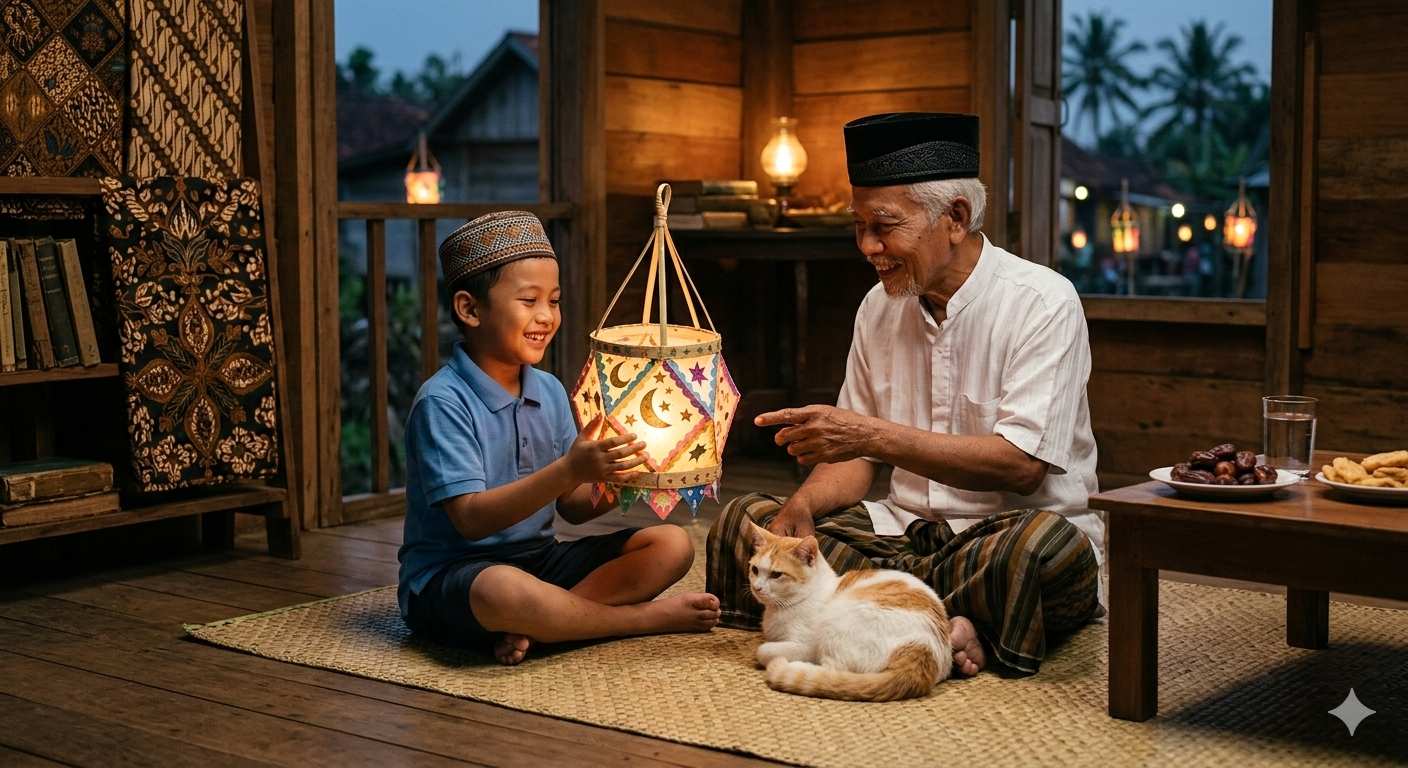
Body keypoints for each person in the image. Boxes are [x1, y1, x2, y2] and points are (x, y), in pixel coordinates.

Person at [706, 113, 1103, 676]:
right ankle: (946, 624)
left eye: (884, 225)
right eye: (859, 225)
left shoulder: (1043, 302)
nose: (868, 246)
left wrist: (867, 434)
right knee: (744, 519)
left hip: (1001, 538)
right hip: (902, 539)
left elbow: (1021, 467)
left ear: (956, 218)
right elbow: (855, 459)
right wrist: (803, 507)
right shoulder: (877, 307)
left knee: (1047, 551)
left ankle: (923, 623)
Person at [398, 211, 720, 666]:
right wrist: (570, 468)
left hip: (541, 563)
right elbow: (471, 520)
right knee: (504, 589)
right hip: (454, 578)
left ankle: (542, 624)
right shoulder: (443, 401)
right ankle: (639, 619)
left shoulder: (547, 389)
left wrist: (627, 473)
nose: (546, 316)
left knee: (673, 544)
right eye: (529, 300)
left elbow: (572, 503)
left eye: (555, 300)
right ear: (469, 309)